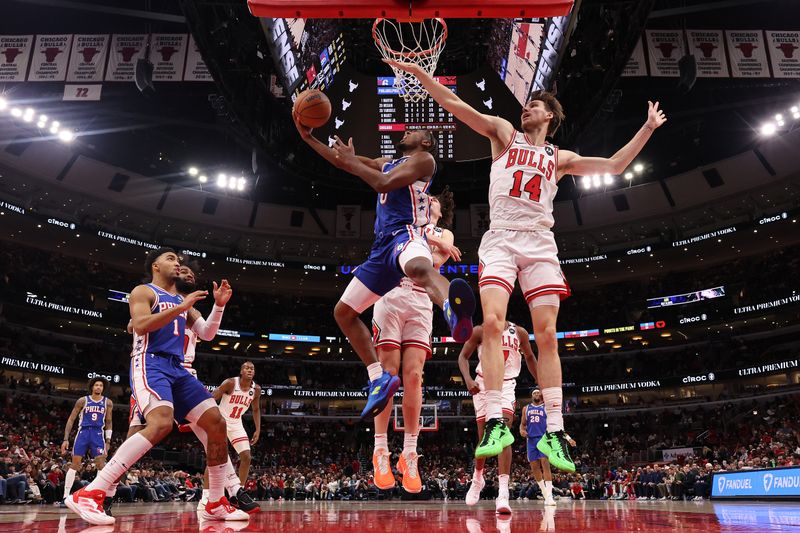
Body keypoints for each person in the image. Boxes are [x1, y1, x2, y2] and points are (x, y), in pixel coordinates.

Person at [386, 57, 667, 468]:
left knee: (547, 334)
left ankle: (554, 429)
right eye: (526, 105)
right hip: (500, 238)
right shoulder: (504, 133)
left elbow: (614, 165)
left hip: (539, 242)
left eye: (534, 105)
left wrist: (647, 128)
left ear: (549, 115)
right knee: (494, 326)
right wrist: (420, 75)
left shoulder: (560, 157)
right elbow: (455, 105)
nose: (527, 109)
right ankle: (498, 419)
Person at [294, 116, 476, 420]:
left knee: (419, 267)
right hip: (381, 248)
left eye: (413, 129)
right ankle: (378, 376)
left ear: (426, 141)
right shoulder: (388, 161)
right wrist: (308, 138)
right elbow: (343, 162)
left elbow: (381, 183)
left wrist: (353, 162)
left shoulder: (424, 161)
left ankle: (452, 308)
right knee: (343, 312)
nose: (406, 129)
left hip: (407, 233)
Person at [65, 247, 251, 525]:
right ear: (155, 266)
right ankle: (91, 492)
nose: (177, 263)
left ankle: (215, 502)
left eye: (179, 259)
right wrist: (181, 307)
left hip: (177, 368)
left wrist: (219, 305)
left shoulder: (182, 300)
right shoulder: (144, 292)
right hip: (149, 362)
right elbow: (139, 325)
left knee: (216, 423)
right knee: (160, 424)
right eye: (171, 259)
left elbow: (207, 334)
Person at [371, 187, 460, 494]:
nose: (428, 198)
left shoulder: (443, 233)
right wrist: (423, 236)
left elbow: (442, 245)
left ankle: (410, 453)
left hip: (421, 302)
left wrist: (427, 235)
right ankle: (380, 449)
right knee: (389, 374)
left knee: (414, 376)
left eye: (433, 198)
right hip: (392, 293)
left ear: (437, 207)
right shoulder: (403, 221)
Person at [459, 322, 537, 514]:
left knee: (503, 434)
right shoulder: (479, 330)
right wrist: (468, 379)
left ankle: (503, 493)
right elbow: (462, 357)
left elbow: (530, 356)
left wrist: (542, 381)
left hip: (506, 385)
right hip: (482, 384)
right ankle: (478, 478)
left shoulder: (520, 332)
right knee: (483, 437)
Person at [197, 361, 262, 513]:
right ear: (241, 371)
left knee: (246, 457)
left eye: (252, 368)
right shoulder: (231, 383)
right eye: (246, 368)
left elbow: (256, 409)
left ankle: (238, 493)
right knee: (214, 459)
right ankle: (205, 496)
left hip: (236, 424)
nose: (249, 370)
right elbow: (213, 397)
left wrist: (258, 429)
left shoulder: (256, 389)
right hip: (221, 421)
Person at [60, 378, 113, 512]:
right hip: (83, 433)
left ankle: (96, 496)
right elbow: (71, 419)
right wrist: (66, 439)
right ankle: (65, 496)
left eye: (101, 385)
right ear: (92, 387)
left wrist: (108, 441)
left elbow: (109, 422)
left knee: (101, 464)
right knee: (75, 464)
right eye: (96, 385)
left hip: (98, 435)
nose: (99, 387)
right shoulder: (83, 400)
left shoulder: (108, 402)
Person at [520, 389, 558, 506]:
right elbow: (523, 424)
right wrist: (521, 430)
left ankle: (550, 495)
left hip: (543, 439)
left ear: (541, 395)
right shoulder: (526, 409)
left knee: (545, 464)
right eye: (534, 393)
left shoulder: (545, 407)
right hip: (531, 440)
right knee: (534, 467)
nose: (536, 394)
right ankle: (545, 493)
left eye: (538, 393)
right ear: (531, 396)